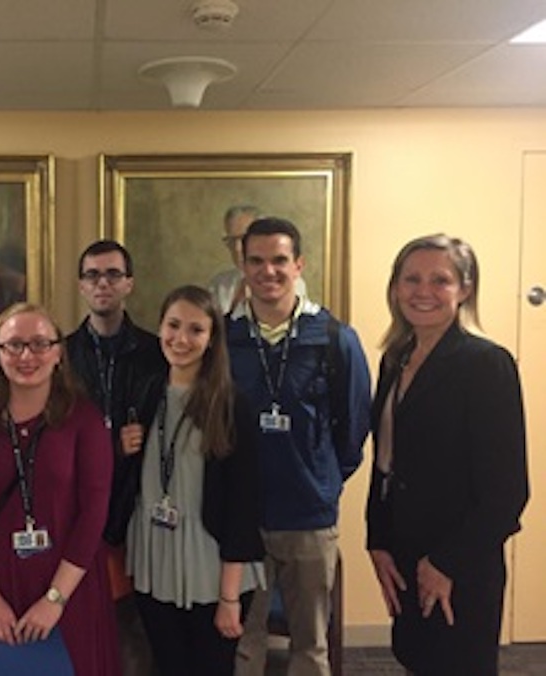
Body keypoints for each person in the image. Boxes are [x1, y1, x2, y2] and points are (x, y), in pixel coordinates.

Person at [366, 234, 528, 675]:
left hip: (460, 559)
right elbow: (386, 461)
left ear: (466, 289)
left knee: (457, 665)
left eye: (440, 280)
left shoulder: (486, 364)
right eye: (411, 279)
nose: (423, 292)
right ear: (395, 287)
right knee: (416, 658)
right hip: (404, 549)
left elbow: (507, 493)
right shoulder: (395, 358)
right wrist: (377, 540)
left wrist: (446, 563)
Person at [226, 217, 371, 676]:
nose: (268, 271)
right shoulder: (225, 339)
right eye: (256, 260)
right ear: (242, 264)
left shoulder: (332, 338)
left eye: (279, 260)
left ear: (299, 264)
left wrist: (321, 482)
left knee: (310, 643)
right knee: (242, 641)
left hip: (308, 516)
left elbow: (353, 432)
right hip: (243, 517)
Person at [0, 303, 121, 676]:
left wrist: (54, 600)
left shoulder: (84, 419)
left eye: (40, 344)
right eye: (13, 345)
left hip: (68, 589)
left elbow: (94, 513)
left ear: (58, 352)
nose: (26, 355)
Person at [126, 285, 264, 676]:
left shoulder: (232, 405)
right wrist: (122, 447)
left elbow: (243, 505)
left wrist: (229, 597)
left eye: (195, 330)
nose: (181, 339)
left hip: (212, 565)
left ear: (211, 339)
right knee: (168, 667)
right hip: (155, 559)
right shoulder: (149, 391)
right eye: (173, 325)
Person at [65, 239, 166, 676]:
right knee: (80, 633)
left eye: (112, 275)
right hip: (75, 513)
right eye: (92, 275)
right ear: (81, 286)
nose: (101, 283)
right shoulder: (60, 354)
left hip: (139, 513)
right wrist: (109, 447)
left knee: (135, 639)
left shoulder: (157, 352)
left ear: (129, 284)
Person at [208, 205, 261, 315]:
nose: (237, 248)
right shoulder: (219, 285)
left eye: (243, 239)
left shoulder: (285, 282)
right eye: (231, 240)